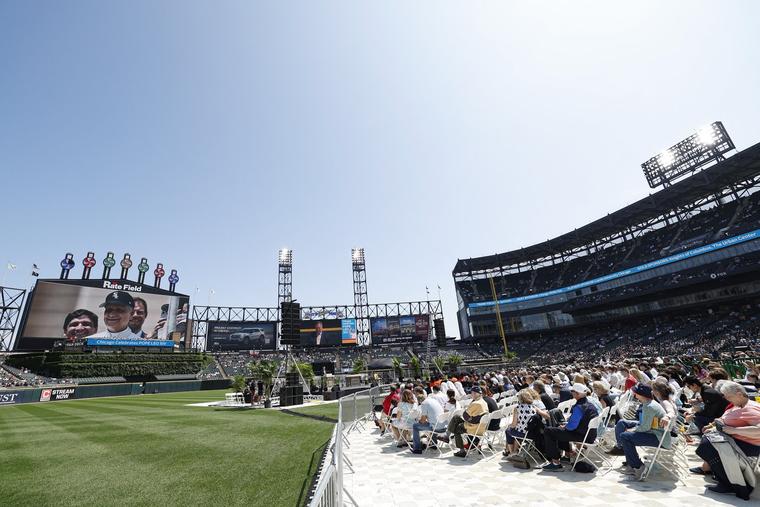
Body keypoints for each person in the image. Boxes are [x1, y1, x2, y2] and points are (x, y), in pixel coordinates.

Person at [694, 381, 760, 500]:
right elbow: (725, 418)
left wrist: (734, 430)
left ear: (739, 394)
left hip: (746, 444)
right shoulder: (740, 404)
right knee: (705, 446)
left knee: (706, 448)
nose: (727, 399)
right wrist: (713, 425)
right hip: (735, 440)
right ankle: (724, 479)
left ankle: (729, 484)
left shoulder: (751, 408)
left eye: (729, 396)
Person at [615, 383, 668, 480]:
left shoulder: (649, 407)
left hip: (658, 437)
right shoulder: (649, 403)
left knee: (625, 436)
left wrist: (632, 430)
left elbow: (645, 427)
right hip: (654, 431)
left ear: (642, 395)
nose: (634, 394)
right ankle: (623, 449)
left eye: (636, 393)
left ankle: (638, 466)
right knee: (621, 423)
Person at [542, 383, 599, 471]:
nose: (571, 393)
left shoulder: (579, 407)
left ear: (577, 394)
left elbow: (571, 427)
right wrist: (565, 426)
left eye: (572, 391)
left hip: (582, 436)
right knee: (558, 430)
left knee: (549, 431)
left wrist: (564, 427)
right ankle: (567, 455)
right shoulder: (590, 405)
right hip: (590, 434)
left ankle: (555, 462)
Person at [434, 386, 489, 457]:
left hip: (474, 428)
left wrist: (467, 412)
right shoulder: (483, 402)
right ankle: (447, 436)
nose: (471, 395)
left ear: (476, 393)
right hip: (481, 427)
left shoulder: (476, 403)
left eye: (472, 393)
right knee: (456, 418)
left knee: (457, 428)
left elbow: (465, 415)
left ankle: (461, 450)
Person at [411, 387, 446, 454]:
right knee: (432, 422)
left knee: (415, 426)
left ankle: (417, 448)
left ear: (419, 401)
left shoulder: (424, 404)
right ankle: (433, 443)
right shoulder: (433, 400)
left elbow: (423, 421)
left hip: (436, 428)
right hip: (444, 425)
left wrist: (419, 421)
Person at [504, 388, 537, 457]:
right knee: (515, 430)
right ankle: (515, 450)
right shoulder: (534, 407)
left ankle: (512, 452)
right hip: (532, 433)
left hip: (523, 434)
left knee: (508, 431)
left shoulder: (518, 408)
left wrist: (509, 426)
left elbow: (514, 424)